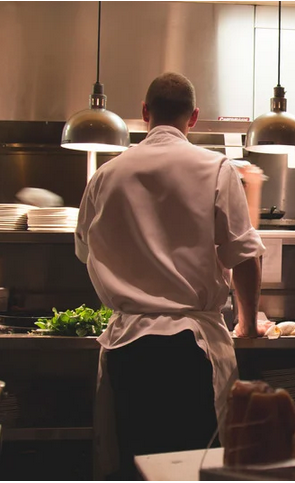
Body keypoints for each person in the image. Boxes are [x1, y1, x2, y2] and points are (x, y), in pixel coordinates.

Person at [74, 72, 266, 479]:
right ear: (193, 117)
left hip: (128, 348)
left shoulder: (106, 175)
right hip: (189, 350)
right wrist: (247, 324)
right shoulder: (215, 168)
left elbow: (85, 251)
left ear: (145, 113)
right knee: (193, 469)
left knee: (136, 466)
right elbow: (245, 256)